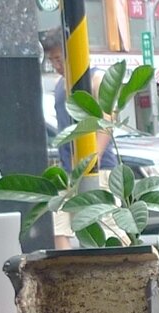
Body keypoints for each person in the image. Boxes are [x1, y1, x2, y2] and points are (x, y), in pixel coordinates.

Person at [39, 31, 118, 249]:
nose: (56, 65)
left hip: (99, 169)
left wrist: (94, 158)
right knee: (59, 224)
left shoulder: (96, 79)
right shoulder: (59, 86)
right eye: (52, 60)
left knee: (108, 227)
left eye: (58, 58)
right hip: (68, 172)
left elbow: (107, 121)